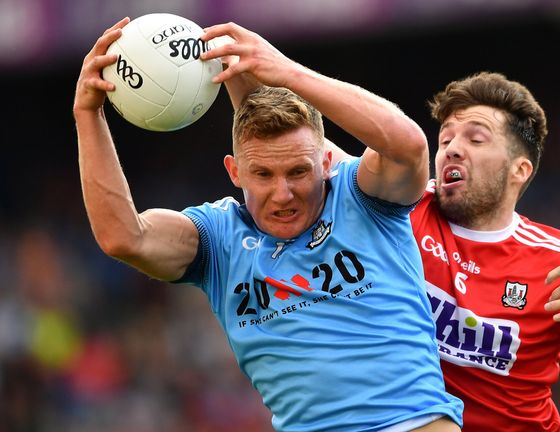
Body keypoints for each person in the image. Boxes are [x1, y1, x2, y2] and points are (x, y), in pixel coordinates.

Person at [73, 18, 463, 432]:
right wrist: (87, 113)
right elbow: (123, 237)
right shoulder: (218, 239)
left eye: (298, 172)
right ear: (234, 172)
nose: (283, 194)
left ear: (327, 163)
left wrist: (285, 71)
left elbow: (408, 145)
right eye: (263, 176)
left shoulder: (362, 198)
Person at [319, 72, 560, 431]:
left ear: (519, 170)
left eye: (475, 139)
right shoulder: (392, 209)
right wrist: (268, 72)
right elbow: (313, 152)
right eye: (445, 139)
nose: (452, 149)